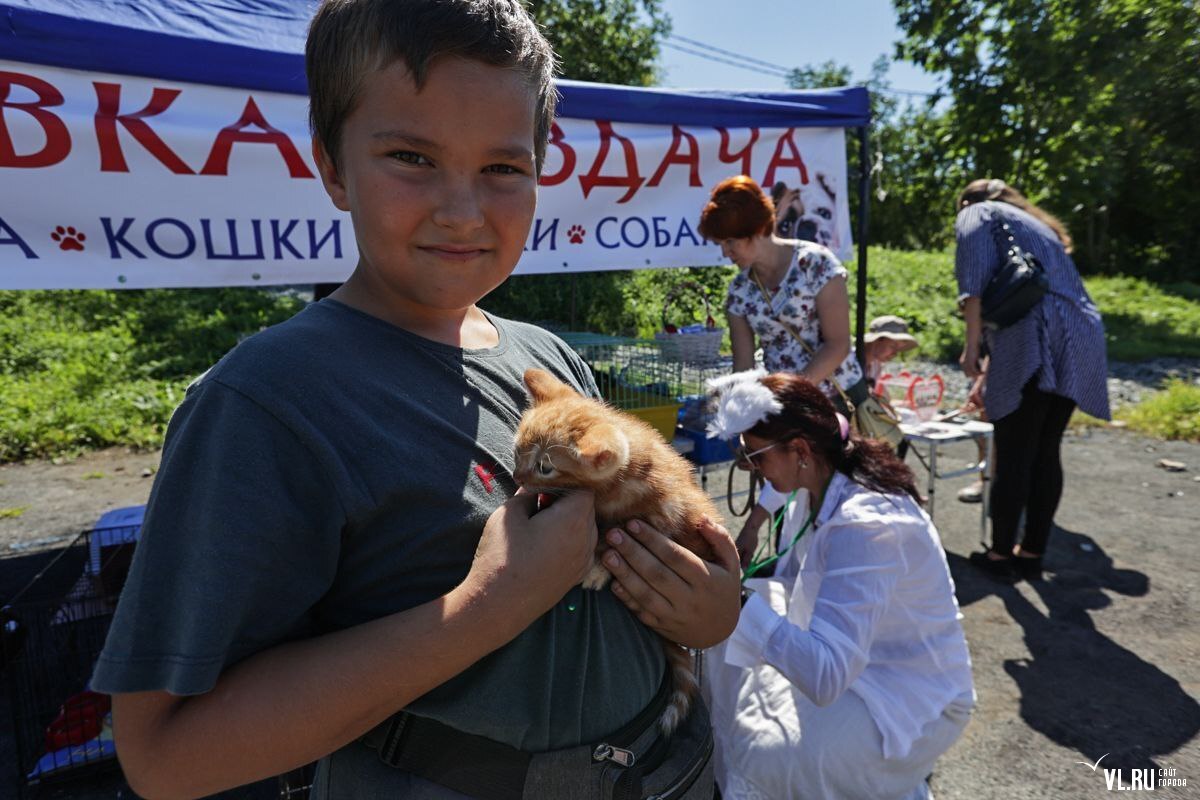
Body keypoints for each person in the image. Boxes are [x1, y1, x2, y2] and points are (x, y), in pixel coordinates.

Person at [90, 3, 739, 798]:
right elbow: (164, 756)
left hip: (672, 773)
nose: (462, 210)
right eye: (411, 156)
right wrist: (485, 607)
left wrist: (708, 613)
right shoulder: (266, 403)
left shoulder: (549, 360)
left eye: (503, 168)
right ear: (332, 166)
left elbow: (633, 567)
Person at [701, 370, 975, 800]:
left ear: (801, 449)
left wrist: (732, 597)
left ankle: (883, 777)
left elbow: (827, 676)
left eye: (756, 457)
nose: (752, 470)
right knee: (719, 643)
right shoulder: (816, 481)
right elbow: (792, 585)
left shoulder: (866, 524)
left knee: (768, 757)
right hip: (860, 660)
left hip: (909, 695)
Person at [700, 175, 866, 569]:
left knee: (839, 516)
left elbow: (838, 344)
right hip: (782, 410)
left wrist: (789, 399)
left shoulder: (817, 265)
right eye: (720, 244)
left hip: (834, 406)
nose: (725, 253)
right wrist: (740, 425)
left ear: (759, 230)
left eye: (731, 242)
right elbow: (742, 370)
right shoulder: (739, 292)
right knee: (788, 520)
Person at [955, 178, 1110, 581]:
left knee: (1014, 450)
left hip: (1032, 337)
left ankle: (1001, 558)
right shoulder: (1035, 224)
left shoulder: (977, 213)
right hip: (1080, 336)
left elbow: (972, 287)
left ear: (967, 202)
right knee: (1045, 448)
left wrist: (971, 349)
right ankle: (1032, 555)